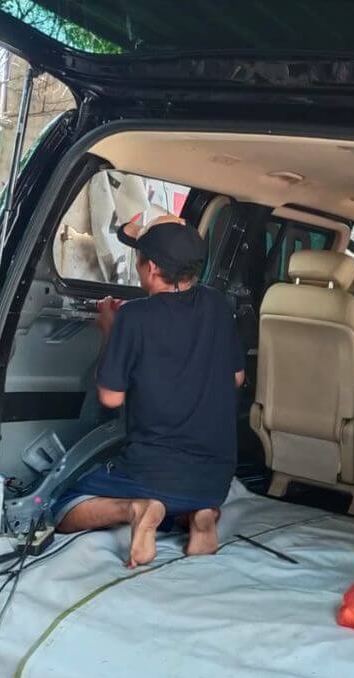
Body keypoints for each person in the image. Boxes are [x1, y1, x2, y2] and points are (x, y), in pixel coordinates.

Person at [52, 215, 245, 569]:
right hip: (215, 477)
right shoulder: (218, 305)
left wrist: (109, 330)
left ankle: (136, 509)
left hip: (152, 471)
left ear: (152, 267)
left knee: (63, 508)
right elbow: (236, 377)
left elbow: (111, 397)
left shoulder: (134, 316)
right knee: (183, 498)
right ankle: (202, 515)